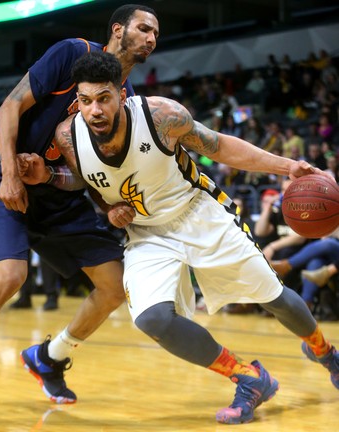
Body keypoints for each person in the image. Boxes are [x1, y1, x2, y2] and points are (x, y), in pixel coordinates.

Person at [20, 51, 339, 425]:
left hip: (199, 214)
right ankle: (249, 378)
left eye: (104, 99)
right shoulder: (68, 135)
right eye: (86, 101)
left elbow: (218, 145)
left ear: (121, 96)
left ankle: (325, 351)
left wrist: (288, 166)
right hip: (146, 233)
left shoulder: (161, 115)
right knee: (153, 319)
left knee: (274, 297)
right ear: (77, 101)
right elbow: (86, 178)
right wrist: (58, 181)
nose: (95, 111)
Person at [0, 4, 159, 404]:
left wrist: (106, 205)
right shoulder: (72, 52)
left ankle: (49, 359)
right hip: (11, 181)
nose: (152, 38)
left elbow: (89, 174)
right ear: (118, 30)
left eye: (156, 33)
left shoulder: (128, 102)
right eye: (144, 28)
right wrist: (10, 175)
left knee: (113, 287)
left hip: (59, 198)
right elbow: (8, 108)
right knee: (8, 277)